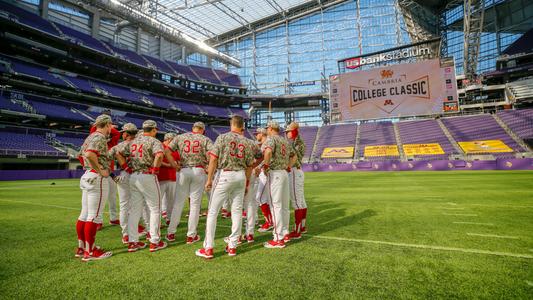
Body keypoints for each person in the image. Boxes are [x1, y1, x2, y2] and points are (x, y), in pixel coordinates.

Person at [196, 116, 254, 259]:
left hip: (225, 175)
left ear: (231, 124)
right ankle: (233, 246)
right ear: (242, 126)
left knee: (213, 212)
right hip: (240, 175)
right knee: (236, 211)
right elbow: (250, 164)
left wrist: (209, 179)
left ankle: (208, 248)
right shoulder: (247, 141)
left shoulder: (222, 137)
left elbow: (214, 158)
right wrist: (246, 182)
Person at [117, 120, 177, 253]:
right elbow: (160, 155)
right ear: (154, 129)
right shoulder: (154, 141)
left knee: (134, 209)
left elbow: (118, 153)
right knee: (155, 208)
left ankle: (133, 242)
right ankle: (155, 241)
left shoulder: (134, 141)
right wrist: (155, 169)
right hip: (147, 176)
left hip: (133, 176)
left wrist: (126, 167)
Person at [75, 114, 114, 261]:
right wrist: (99, 169)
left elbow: (80, 155)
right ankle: (90, 252)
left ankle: (82, 248)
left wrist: (90, 167)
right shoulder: (99, 137)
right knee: (94, 216)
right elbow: (91, 154)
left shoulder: (90, 137)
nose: (111, 129)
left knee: (84, 215)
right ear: (107, 124)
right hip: (96, 177)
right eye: (111, 126)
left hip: (87, 175)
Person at [166, 122, 213, 244]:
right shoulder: (205, 139)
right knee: (195, 205)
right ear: (202, 130)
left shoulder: (181, 137)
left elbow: (167, 151)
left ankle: (171, 233)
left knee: (178, 203)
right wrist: (208, 166)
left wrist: (173, 164)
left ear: (193, 128)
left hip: (184, 170)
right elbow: (212, 155)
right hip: (198, 170)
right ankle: (191, 235)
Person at [261, 121, 294, 248]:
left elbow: (268, 152)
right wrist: (288, 167)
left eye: (267, 128)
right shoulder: (284, 140)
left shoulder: (271, 139)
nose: (267, 130)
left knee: (275, 206)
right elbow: (294, 156)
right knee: (284, 205)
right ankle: (285, 233)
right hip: (285, 173)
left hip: (275, 174)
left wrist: (266, 166)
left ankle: (278, 238)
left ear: (270, 128)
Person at [89, 111, 120, 229]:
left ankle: (113, 218)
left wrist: (110, 127)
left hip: (110, 173)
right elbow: (94, 129)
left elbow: (116, 134)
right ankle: (98, 221)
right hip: (99, 173)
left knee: (112, 197)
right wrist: (106, 125)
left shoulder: (111, 144)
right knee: (99, 200)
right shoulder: (97, 139)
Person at [109, 123, 137, 244]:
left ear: (126, 133)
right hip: (140, 174)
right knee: (143, 205)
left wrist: (112, 175)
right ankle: (149, 232)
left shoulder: (119, 146)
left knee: (124, 205)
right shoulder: (142, 143)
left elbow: (104, 158)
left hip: (124, 175)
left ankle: (126, 234)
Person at [285, 122, 308, 239]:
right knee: (301, 201)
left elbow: (294, 156)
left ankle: (297, 231)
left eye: (288, 131)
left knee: (296, 202)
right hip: (297, 171)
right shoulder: (295, 141)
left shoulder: (297, 142)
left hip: (294, 171)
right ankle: (302, 227)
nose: (286, 133)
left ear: (294, 131)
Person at [241, 128, 264, 242]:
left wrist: (256, 167)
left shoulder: (230, 140)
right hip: (252, 173)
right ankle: (249, 233)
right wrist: (256, 166)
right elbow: (262, 157)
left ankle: (237, 236)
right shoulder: (252, 143)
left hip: (241, 173)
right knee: (251, 204)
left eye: (257, 133)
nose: (256, 135)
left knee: (238, 206)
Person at [254, 128, 274, 232]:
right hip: (266, 172)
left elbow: (267, 157)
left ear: (262, 134)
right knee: (265, 199)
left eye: (257, 133)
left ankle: (269, 222)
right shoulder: (265, 143)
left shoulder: (266, 143)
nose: (256, 135)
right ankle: (270, 221)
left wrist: (260, 166)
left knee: (260, 198)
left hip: (266, 172)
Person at [159, 132, 180, 225]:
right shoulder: (160, 146)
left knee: (171, 199)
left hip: (172, 176)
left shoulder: (174, 149)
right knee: (157, 200)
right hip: (161, 176)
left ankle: (169, 218)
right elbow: (157, 160)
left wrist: (177, 164)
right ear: (168, 139)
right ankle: (157, 221)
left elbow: (179, 160)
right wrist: (169, 164)